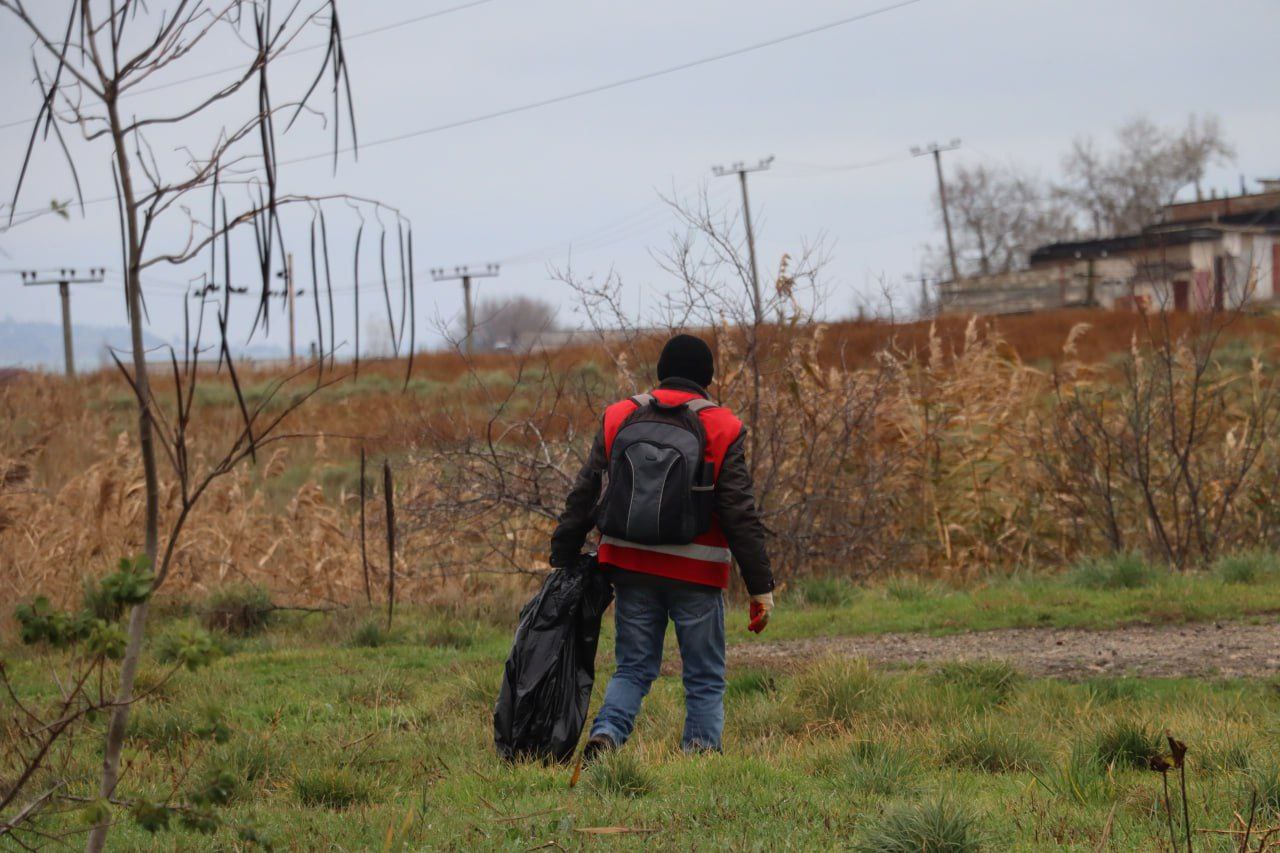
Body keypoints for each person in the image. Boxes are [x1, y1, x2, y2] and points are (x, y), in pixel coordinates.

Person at [549, 333, 774, 757]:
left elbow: (585, 489)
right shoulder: (723, 426)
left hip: (630, 567)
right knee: (704, 675)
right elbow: (739, 513)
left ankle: (608, 735)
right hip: (698, 572)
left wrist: (564, 552)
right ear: (707, 377)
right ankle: (701, 754)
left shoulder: (619, 416)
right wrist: (760, 588)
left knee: (632, 668)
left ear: (661, 372)